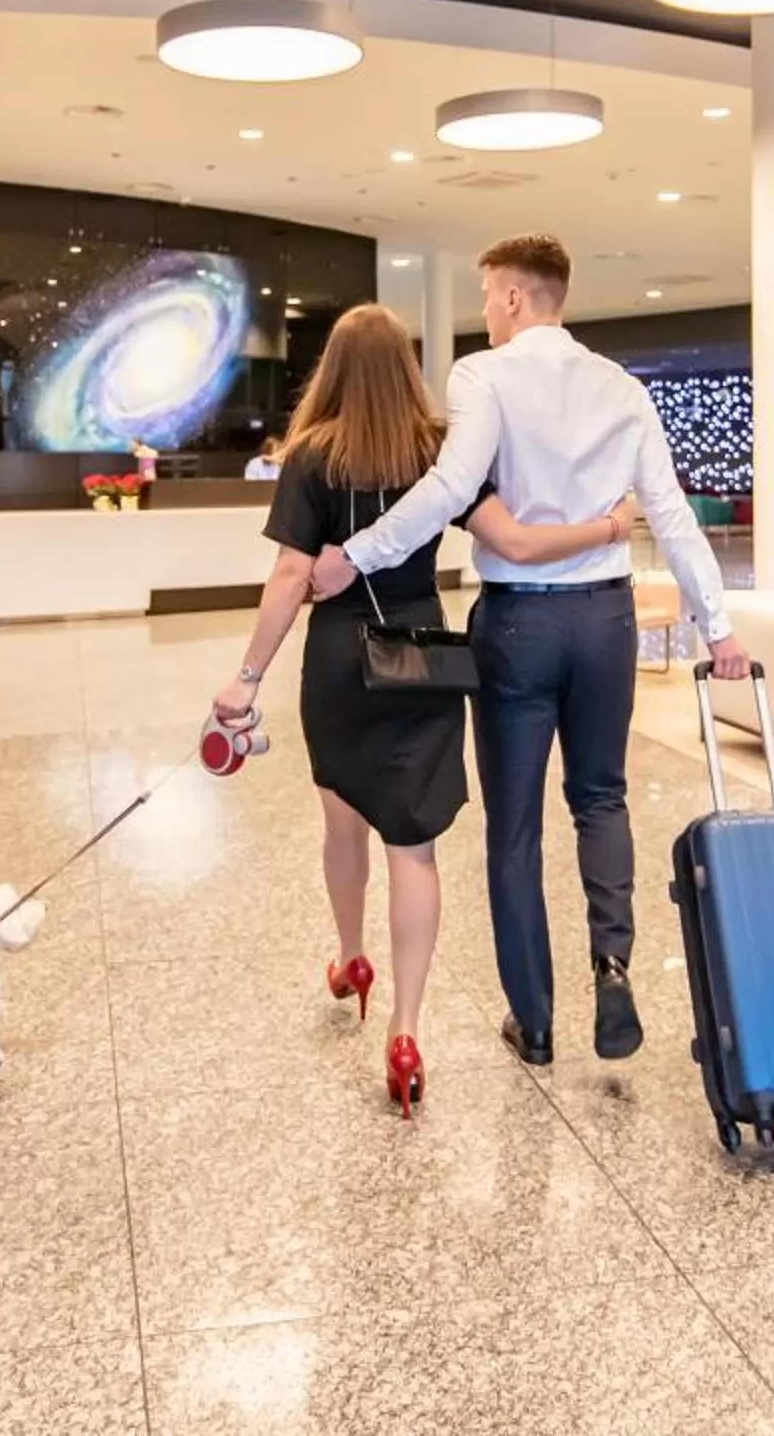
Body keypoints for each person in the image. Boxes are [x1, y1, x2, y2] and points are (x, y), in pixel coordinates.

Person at [311, 234, 747, 1069]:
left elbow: (448, 488)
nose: (485, 312)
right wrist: (717, 627)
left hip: (518, 625)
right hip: (607, 620)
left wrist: (355, 556)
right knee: (602, 798)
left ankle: (536, 1022)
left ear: (513, 297)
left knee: (513, 826)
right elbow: (672, 513)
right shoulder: (621, 386)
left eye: (487, 297)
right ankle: (611, 965)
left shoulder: (483, 376)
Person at [210, 303, 633, 1118]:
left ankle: (350, 957)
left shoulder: (312, 454)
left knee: (343, 826)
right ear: (405, 368)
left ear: (332, 370)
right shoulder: (439, 448)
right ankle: (406, 1031)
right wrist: (608, 527)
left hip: (341, 661)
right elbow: (511, 538)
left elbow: (291, 575)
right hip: (424, 659)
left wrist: (246, 678)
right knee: (415, 851)